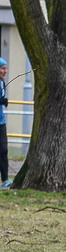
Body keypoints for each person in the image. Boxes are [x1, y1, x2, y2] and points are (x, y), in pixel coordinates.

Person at [0, 58, 10, 189]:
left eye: (6, 68)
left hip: (1, 122)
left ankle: (5, 179)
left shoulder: (2, 83)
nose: (5, 71)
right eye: (3, 68)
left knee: (3, 150)